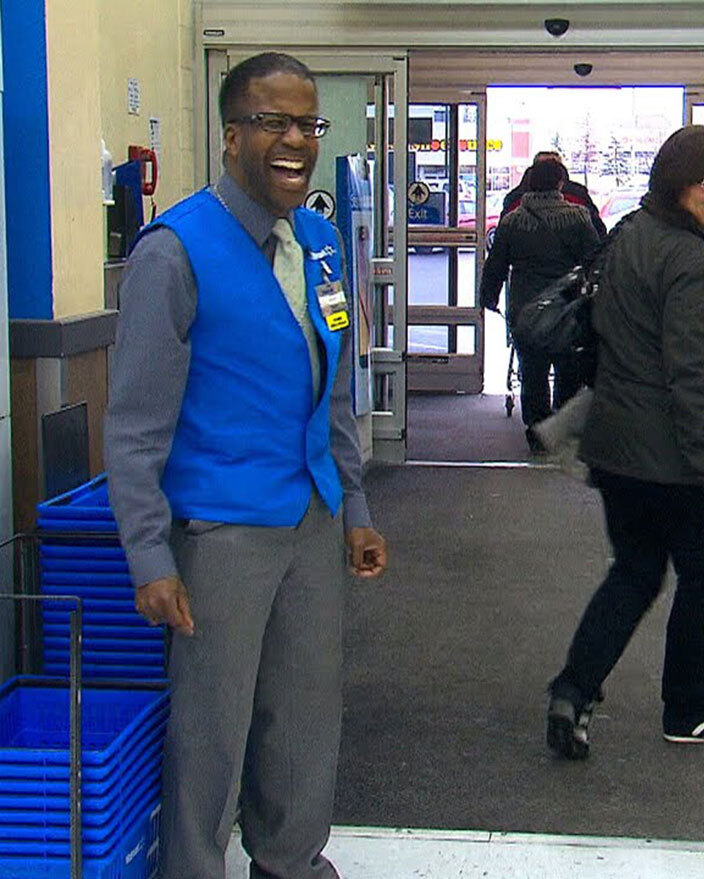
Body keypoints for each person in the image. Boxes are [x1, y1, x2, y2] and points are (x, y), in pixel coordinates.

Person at [104, 52, 387, 878]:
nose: (295, 139)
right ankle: (192, 868)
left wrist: (357, 507)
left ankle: (290, 863)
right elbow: (133, 428)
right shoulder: (177, 250)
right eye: (273, 122)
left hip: (313, 517)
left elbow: (334, 393)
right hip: (221, 532)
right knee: (211, 728)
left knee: (304, 717)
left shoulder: (322, 242)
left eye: (308, 123)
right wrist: (149, 555)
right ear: (232, 135)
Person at [545, 125, 704, 760]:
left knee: (634, 574)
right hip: (674, 460)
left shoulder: (632, 233)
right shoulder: (690, 261)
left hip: (616, 450)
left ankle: (574, 690)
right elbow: (696, 377)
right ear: (676, 183)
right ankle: (690, 708)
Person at [480, 159, 600, 452]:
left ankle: (536, 431)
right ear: (560, 183)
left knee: (532, 371)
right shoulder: (578, 217)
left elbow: (496, 266)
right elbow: (595, 258)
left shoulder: (512, 221)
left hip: (525, 307)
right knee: (567, 368)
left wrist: (489, 297)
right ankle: (561, 424)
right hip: (567, 306)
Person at [501, 150, 607, 239]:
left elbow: (500, 245)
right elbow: (598, 235)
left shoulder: (514, 202)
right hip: (571, 263)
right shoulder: (579, 198)